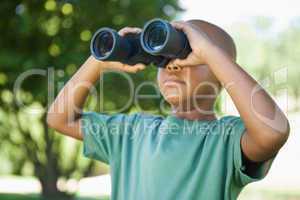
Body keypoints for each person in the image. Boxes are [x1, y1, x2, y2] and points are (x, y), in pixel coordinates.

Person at [47, 19, 290, 200]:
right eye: (164, 59)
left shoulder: (226, 140)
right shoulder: (131, 131)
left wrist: (209, 53)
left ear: (222, 75)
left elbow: (274, 132)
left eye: (189, 56)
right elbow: (59, 118)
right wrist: (98, 62)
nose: (173, 67)